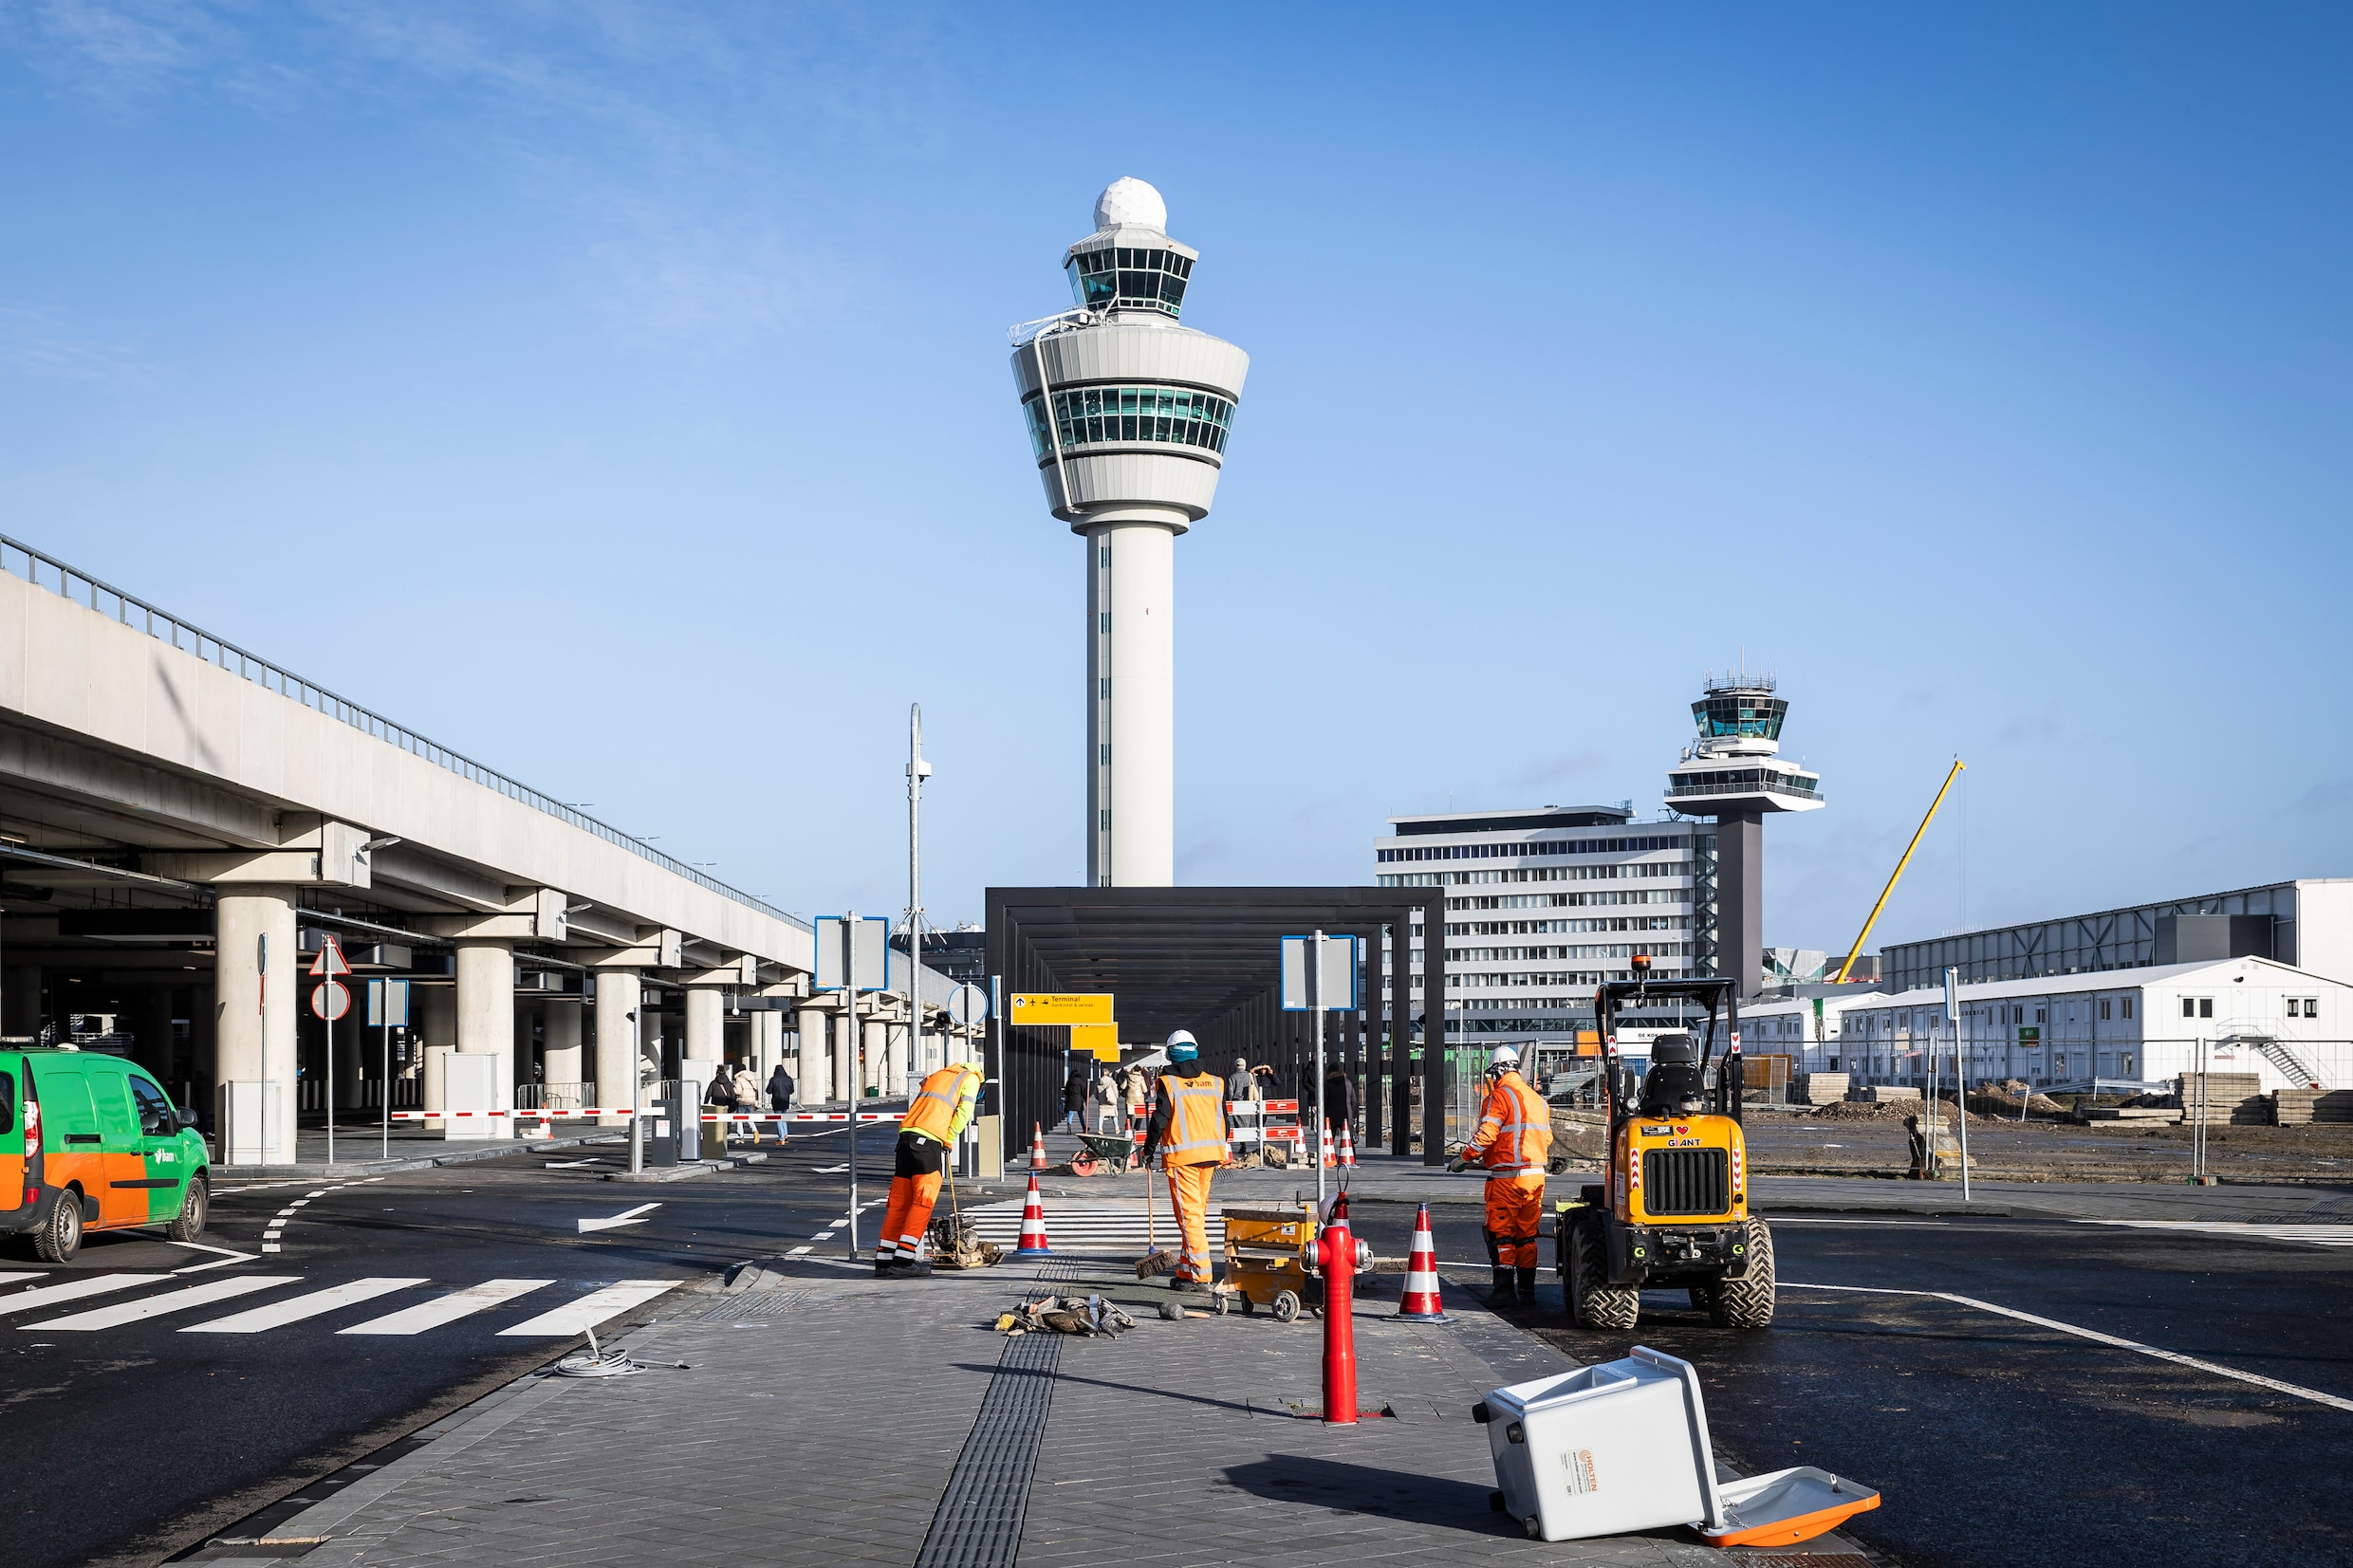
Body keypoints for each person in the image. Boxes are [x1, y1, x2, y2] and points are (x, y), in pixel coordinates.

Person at [1448, 1044, 1553, 1305]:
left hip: (1508, 1178)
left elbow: (1487, 1134)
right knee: (1527, 1235)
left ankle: (1504, 1292)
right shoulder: (1538, 1100)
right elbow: (1547, 1138)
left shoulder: (1500, 1096)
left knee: (1501, 1234)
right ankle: (1528, 1293)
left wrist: (1464, 1158)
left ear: (1497, 1071)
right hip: (1535, 1176)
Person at [876, 1059, 984, 1277]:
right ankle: (904, 1260)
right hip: (928, 1141)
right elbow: (964, 1112)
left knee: (899, 1203)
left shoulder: (940, 1074)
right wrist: (948, 1138)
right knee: (923, 1201)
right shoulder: (970, 1079)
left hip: (905, 1139)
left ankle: (884, 1260)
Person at [1139, 1030, 1228, 1294]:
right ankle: (1187, 1271)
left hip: (1184, 1159)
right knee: (1194, 1215)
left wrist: (1148, 1149)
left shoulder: (1168, 1082)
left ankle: (1201, 1276)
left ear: (1171, 1054)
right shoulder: (1215, 1082)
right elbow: (1225, 1119)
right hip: (1211, 1157)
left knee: (1189, 1218)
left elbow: (1160, 1119)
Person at [731, 1061, 763, 1142]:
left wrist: (733, 1089)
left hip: (743, 1101)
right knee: (750, 1118)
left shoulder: (739, 1079)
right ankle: (755, 1131)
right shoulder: (752, 1078)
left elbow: (738, 1091)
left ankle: (741, 1136)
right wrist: (756, 1103)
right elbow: (756, 1090)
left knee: (739, 1119)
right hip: (751, 1101)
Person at [766, 1061, 795, 1142]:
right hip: (785, 1101)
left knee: (778, 1119)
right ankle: (785, 1134)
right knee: (784, 1118)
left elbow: (768, 1090)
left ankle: (781, 1138)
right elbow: (792, 1090)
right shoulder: (788, 1079)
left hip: (777, 1100)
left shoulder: (774, 1079)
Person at [1061, 1061, 1091, 1134]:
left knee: (1070, 1114)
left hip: (1071, 1100)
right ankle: (1084, 1127)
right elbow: (1084, 1092)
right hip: (1078, 1100)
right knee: (1080, 1114)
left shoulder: (1069, 1081)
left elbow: (1066, 1091)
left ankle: (1069, 1126)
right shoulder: (1081, 1082)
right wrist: (1086, 1099)